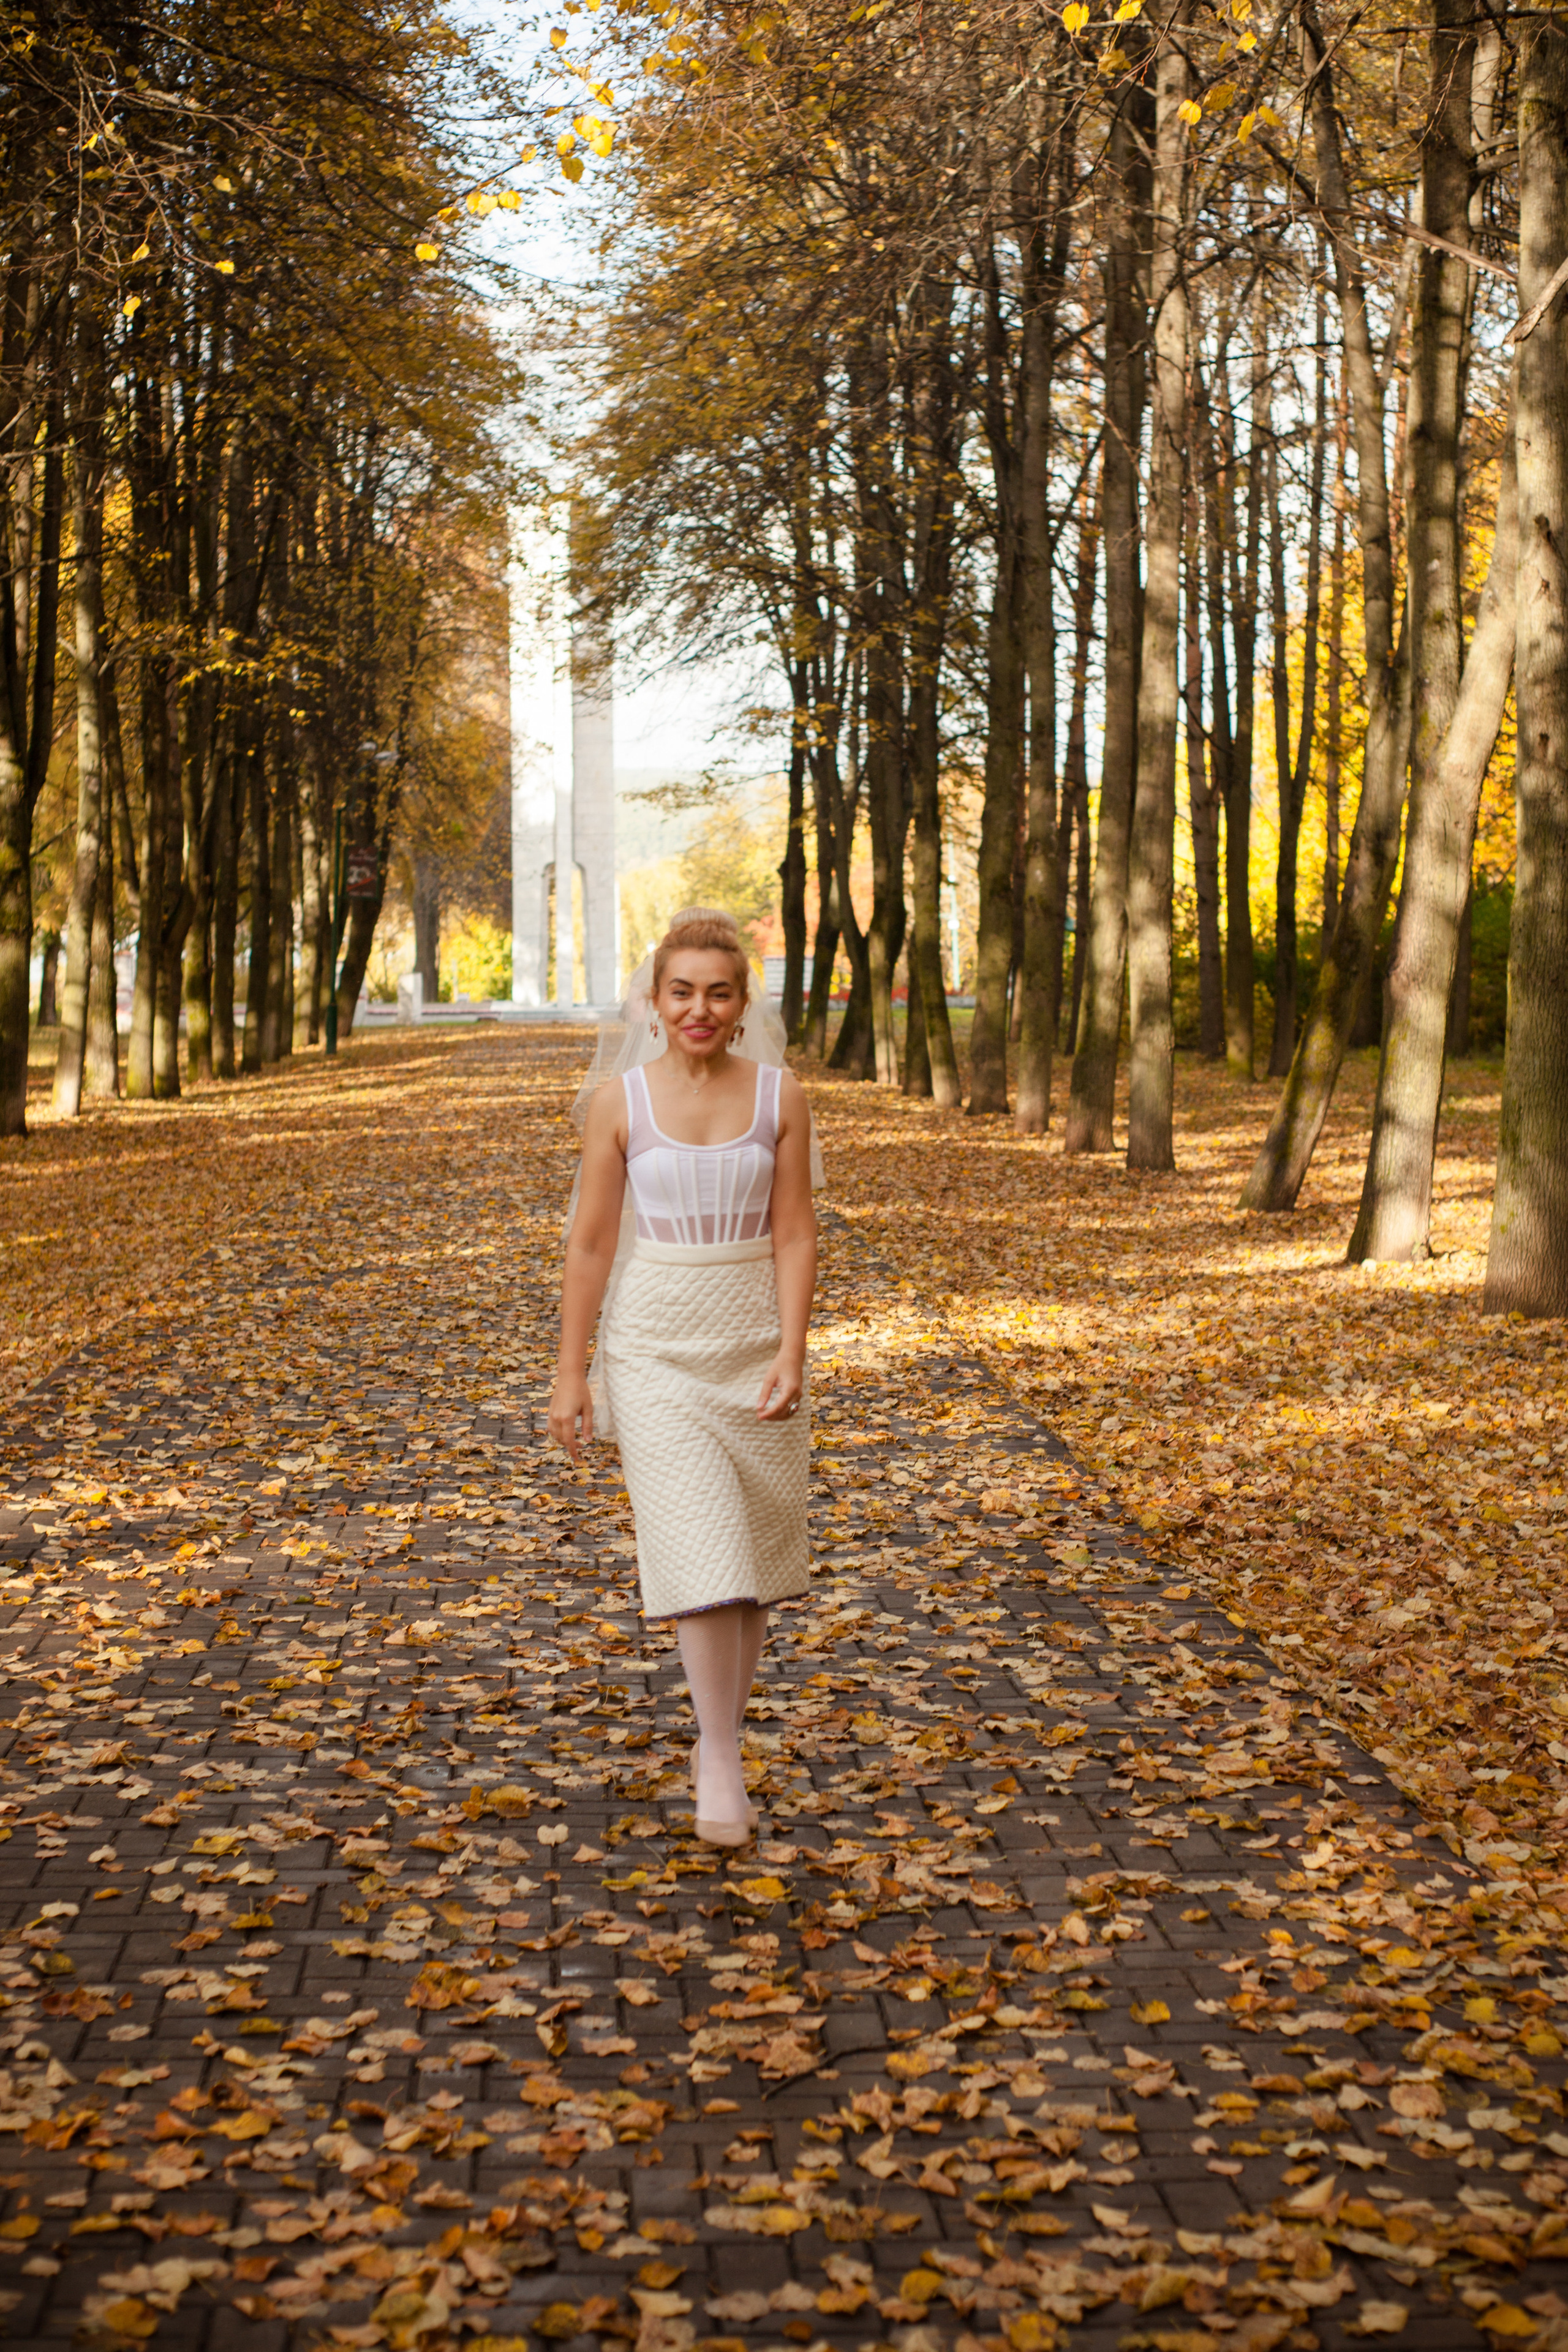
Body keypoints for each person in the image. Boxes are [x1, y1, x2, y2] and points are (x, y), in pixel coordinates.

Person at [548, 910, 817, 1845]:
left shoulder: (781, 1096)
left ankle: (721, 1738)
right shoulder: (622, 1103)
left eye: (719, 992)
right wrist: (569, 1375)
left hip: (752, 1343)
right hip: (655, 1344)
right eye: (681, 992)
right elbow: (588, 1245)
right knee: (703, 1551)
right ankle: (719, 1754)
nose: (699, 1008)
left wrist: (792, 1349)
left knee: (745, 1569)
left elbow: (794, 1232)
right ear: (655, 1003)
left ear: (743, 1006)